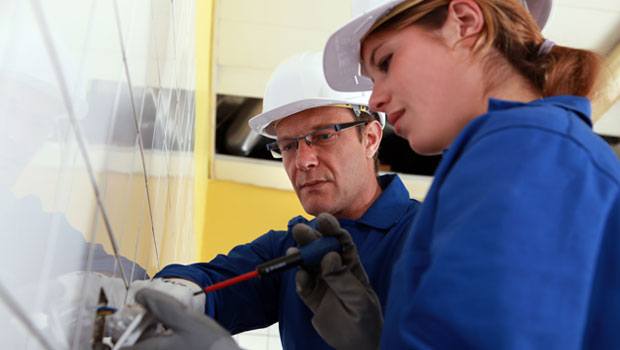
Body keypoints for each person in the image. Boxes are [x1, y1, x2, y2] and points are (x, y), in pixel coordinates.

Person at [300, 0, 618, 348]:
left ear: (465, 22)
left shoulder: (525, 150)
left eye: (386, 62)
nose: (375, 100)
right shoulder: (535, 149)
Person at [125, 51, 421, 350]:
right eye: (288, 145)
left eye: (323, 136)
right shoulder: (294, 249)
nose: (302, 161)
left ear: (370, 138)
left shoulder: (427, 236)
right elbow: (216, 283)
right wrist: (177, 292)